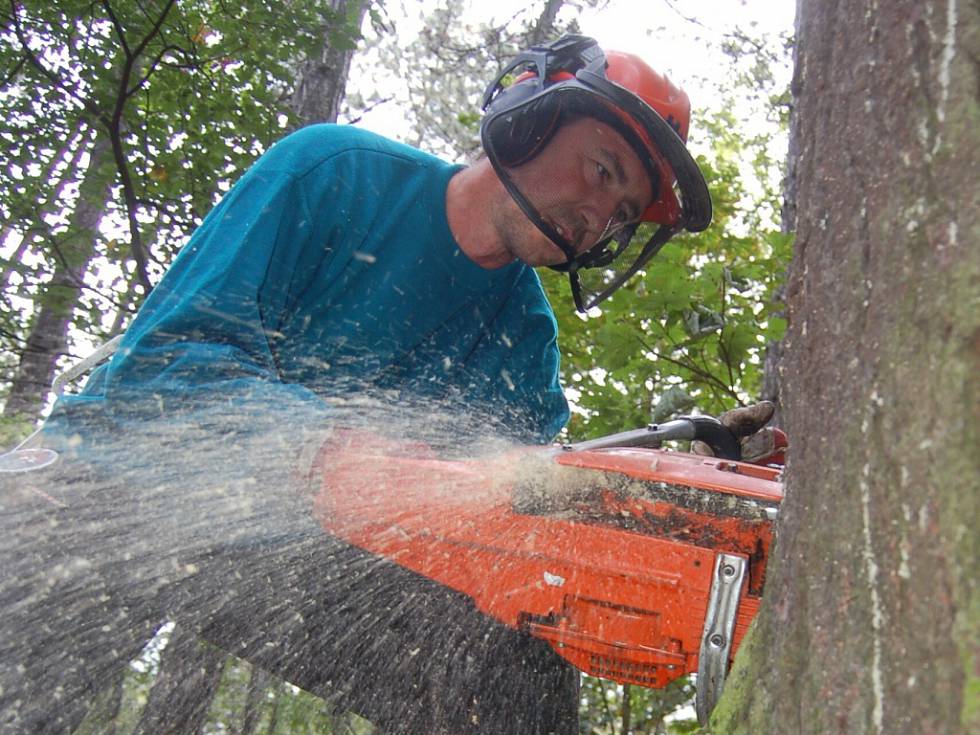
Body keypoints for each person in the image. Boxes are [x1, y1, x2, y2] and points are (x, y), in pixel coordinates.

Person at [1, 35, 772, 734]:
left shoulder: (521, 337)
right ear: (532, 115)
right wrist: (328, 448)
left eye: (623, 210)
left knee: (511, 646)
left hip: (283, 550)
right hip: (104, 482)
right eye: (602, 172)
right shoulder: (336, 175)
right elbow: (161, 364)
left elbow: (527, 511)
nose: (599, 214)